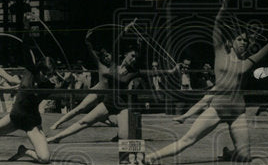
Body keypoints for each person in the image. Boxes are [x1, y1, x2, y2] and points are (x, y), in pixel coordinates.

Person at [145, 0, 268, 164]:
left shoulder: (247, 62)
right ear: (231, 41)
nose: (243, 42)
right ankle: (151, 157)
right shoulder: (220, 53)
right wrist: (223, 7)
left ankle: (229, 153)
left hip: (238, 112)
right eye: (239, 39)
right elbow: (217, 25)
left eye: (245, 40)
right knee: (188, 140)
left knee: (245, 157)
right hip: (217, 109)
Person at [48, 41, 178, 143]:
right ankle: (57, 137)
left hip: (123, 106)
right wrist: (125, 30)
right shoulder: (113, 65)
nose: (133, 59)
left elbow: (153, 72)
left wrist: (171, 71)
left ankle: (120, 131)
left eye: (135, 57)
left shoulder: (134, 71)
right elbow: (115, 43)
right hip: (109, 102)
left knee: (124, 137)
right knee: (83, 122)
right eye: (132, 56)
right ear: (125, 54)